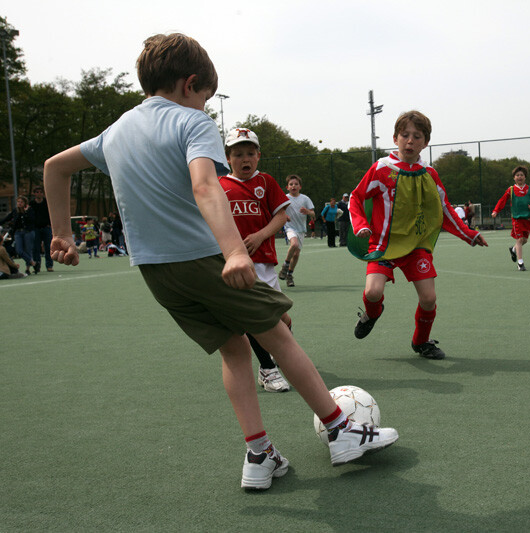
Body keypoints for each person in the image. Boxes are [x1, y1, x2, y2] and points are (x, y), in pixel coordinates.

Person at [43, 33, 397, 491]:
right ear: (190, 84)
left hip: (155, 272)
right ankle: (340, 429)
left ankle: (259, 454)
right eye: (206, 98)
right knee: (277, 331)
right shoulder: (192, 122)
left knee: (233, 347)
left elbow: (54, 167)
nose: (206, 107)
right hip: (202, 259)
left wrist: (62, 234)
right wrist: (233, 251)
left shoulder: (116, 131)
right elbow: (206, 186)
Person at [349, 110, 487, 360]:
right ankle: (372, 313)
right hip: (383, 246)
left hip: (416, 246)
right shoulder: (382, 169)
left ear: (426, 142)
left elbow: (444, 208)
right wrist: (360, 226)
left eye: (417, 136)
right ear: (395, 138)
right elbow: (356, 198)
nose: (410, 141)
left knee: (429, 298)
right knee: (372, 293)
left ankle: (421, 341)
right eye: (405, 135)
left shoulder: (429, 174)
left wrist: (469, 234)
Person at [219, 127, 292, 393]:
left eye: (250, 153)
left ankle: (277, 357)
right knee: (255, 318)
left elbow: (281, 217)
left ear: (258, 156)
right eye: (238, 154)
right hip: (236, 264)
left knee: (283, 319)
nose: (245, 159)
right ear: (228, 158)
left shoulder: (266, 182)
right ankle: (268, 369)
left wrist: (260, 236)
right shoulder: (219, 186)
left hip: (264, 261)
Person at [491, 165, 530, 271]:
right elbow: (502, 200)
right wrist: (496, 210)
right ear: (514, 178)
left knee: (524, 240)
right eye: (517, 175)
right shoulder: (511, 190)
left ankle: (513, 249)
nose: (519, 177)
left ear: (525, 177)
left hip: (527, 219)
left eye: (521, 175)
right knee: (519, 239)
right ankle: (520, 263)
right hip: (516, 219)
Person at [278, 174, 314, 288]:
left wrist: (308, 212)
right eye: (291, 184)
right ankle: (285, 266)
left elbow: (313, 214)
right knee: (294, 244)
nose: (293, 186)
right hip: (290, 227)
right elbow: (279, 211)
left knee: (296, 254)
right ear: (287, 187)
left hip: (301, 229)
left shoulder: (305, 199)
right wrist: (285, 216)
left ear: (300, 186)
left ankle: (289, 275)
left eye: (296, 184)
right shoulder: (284, 198)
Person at [1, 196, 36, 274]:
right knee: (19, 250)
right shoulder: (15, 211)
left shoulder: (29, 210)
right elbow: (7, 218)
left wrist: (25, 212)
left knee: (28, 250)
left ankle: (28, 268)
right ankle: (33, 262)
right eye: (18, 202)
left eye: (21, 202)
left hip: (28, 232)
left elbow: (32, 220)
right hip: (18, 232)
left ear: (25, 203)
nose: (19, 203)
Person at [29, 186, 54, 272]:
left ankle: (49, 265)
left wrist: (50, 224)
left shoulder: (47, 203)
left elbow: (51, 213)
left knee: (48, 247)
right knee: (36, 248)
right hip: (36, 228)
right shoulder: (31, 204)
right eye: (37, 192)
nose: (39, 194)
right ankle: (37, 266)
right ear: (34, 194)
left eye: (40, 192)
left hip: (46, 227)